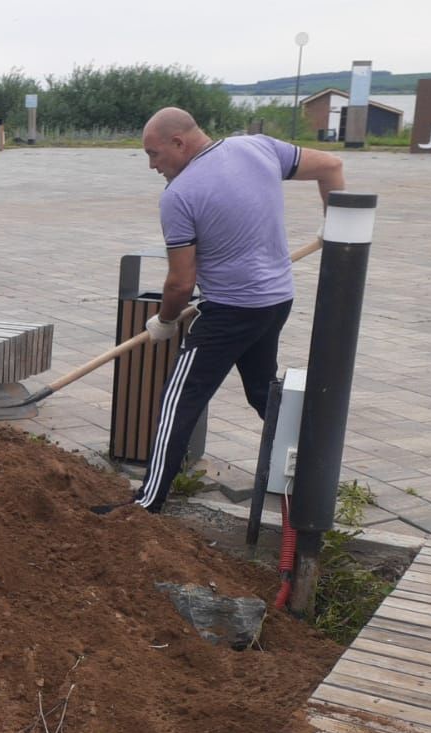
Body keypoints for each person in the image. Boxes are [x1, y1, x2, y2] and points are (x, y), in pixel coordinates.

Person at [98, 107, 344, 516]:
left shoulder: (180, 195)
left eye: (154, 154)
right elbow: (332, 167)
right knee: (263, 391)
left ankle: (145, 503)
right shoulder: (259, 148)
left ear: (179, 143)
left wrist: (165, 320)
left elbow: (180, 282)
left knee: (180, 398)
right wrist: (334, 223)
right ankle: (315, 475)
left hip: (231, 311)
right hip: (276, 300)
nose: (152, 166)